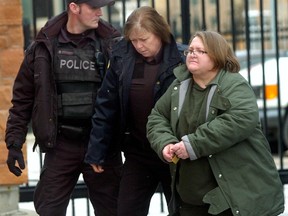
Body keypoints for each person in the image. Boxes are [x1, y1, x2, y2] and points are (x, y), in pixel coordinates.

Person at [146, 30, 285, 216]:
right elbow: (157, 117)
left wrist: (193, 145)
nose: (192, 53)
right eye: (190, 50)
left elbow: (242, 117)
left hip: (231, 200)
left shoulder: (233, 84)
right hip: (190, 201)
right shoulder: (180, 85)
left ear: (217, 54)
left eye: (200, 50)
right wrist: (165, 143)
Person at [5, 0, 122, 215]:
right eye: (94, 7)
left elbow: (128, 95)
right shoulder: (43, 47)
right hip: (60, 145)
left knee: (112, 209)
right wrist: (14, 143)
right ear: (74, 7)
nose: (100, 12)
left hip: (100, 145)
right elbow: (23, 99)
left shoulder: (112, 44)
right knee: (48, 209)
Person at [84, 6, 184, 216]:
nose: (138, 46)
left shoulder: (182, 60)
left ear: (159, 33)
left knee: (181, 211)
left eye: (144, 39)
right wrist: (97, 150)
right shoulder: (121, 58)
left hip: (174, 154)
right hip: (138, 153)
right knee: (127, 210)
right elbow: (106, 106)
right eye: (133, 40)